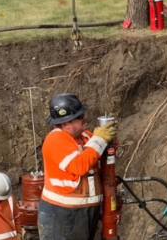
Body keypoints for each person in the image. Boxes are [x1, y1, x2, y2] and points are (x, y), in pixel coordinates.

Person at [37, 93, 118, 240]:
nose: (85, 117)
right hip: (62, 213)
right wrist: (100, 139)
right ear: (66, 123)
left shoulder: (84, 136)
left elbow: (98, 152)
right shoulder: (55, 140)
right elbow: (80, 166)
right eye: (80, 116)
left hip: (83, 211)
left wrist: (110, 140)